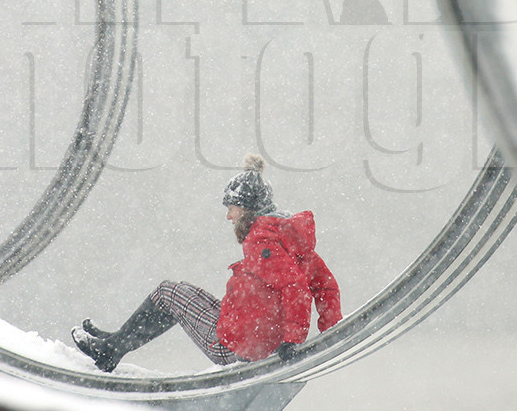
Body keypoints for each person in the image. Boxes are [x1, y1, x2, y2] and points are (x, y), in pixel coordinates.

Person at [71, 154, 342, 372]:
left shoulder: (261, 240)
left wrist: (292, 340)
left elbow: (295, 287)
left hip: (239, 347)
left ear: (246, 208)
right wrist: (331, 332)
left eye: (231, 208)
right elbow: (325, 286)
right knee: (179, 290)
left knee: (167, 293)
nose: (228, 216)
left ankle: (110, 351)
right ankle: (115, 341)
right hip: (253, 333)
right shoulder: (291, 239)